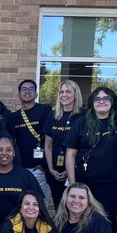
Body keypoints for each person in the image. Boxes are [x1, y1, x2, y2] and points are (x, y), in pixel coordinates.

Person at [64, 85, 117, 222]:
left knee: (104, 218)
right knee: (82, 217)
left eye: (106, 98)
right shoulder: (81, 122)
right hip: (85, 181)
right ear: (92, 102)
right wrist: (73, 185)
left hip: (113, 183)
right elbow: (70, 154)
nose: (101, 101)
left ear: (113, 101)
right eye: (97, 99)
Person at [0, 134, 41, 233]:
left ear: (14, 153)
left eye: (9, 150)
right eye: (0, 150)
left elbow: (39, 203)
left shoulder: (26, 176)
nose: (4, 153)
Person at [7, 78, 53, 205]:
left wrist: (44, 165)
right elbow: (12, 143)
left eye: (31, 89)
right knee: (22, 205)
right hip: (21, 169)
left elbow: (51, 138)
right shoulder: (14, 117)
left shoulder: (45, 110)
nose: (27, 92)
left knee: (40, 205)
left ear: (36, 94)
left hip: (39, 169)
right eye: (24, 89)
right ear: (18, 94)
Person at [43, 79, 83, 207]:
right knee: (59, 206)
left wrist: (69, 169)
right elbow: (48, 146)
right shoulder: (53, 116)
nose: (64, 95)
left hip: (76, 169)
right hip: (55, 171)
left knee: (75, 206)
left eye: (68, 91)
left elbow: (84, 147)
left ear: (76, 94)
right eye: (61, 92)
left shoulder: (84, 116)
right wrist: (50, 169)